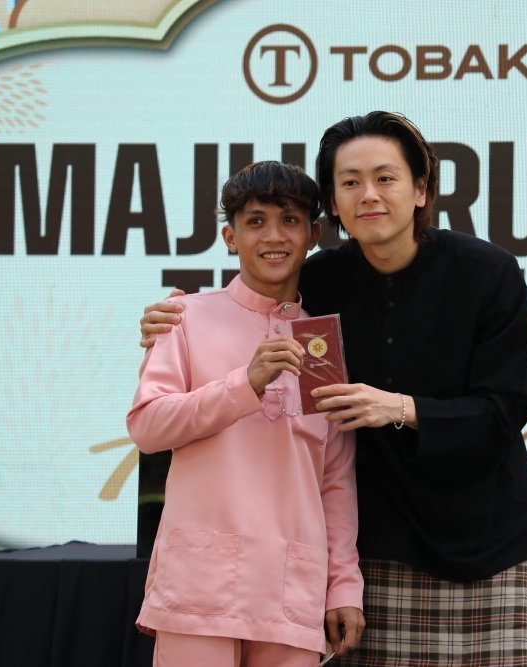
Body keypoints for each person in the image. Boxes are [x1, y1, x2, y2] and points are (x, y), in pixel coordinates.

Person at [140, 113, 527, 666]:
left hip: (484, 531)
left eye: (385, 178)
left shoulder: (487, 272)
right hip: (376, 543)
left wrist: (400, 408)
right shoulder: (316, 284)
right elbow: (252, 300)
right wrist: (174, 318)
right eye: (349, 182)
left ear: (421, 190)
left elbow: (508, 406)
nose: (369, 195)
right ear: (333, 206)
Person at [128, 161, 365, 667]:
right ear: (230, 237)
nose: (274, 236)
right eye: (256, 222)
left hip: (290, 595)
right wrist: (245, 384)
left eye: (290, 220)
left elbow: (334, 479)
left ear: (313, 235)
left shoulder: (321, 343)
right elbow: (147, 428)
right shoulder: (184, 317)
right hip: (200, 590)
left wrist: (344, 585)